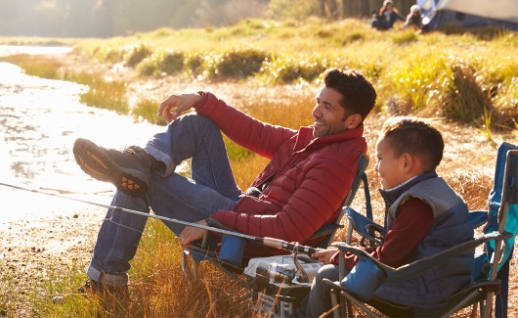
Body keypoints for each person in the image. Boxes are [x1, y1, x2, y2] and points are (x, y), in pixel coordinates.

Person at [71, 68, 377, 295]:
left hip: (246, 238)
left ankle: (106, 280)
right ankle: (142, 161)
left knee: (141, 180)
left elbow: (289, 230)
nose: (316, 112)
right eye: (317, 101)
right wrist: (198, 99)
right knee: (199, 125)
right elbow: (254, 132)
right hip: (245, 205)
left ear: (352, 121)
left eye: (327, 107)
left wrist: (216, 219)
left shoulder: (335, 163)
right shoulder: (313, 140)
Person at [303, 117, 474, 317]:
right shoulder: (433, 190)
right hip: (440, 283)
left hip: (425, 296)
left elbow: (387, 259)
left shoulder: (417, 204)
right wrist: (353, 252)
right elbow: (396, 250)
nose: (376, 168)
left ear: (406, 163)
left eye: (381, 159)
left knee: (328, 276)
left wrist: (341, 257)